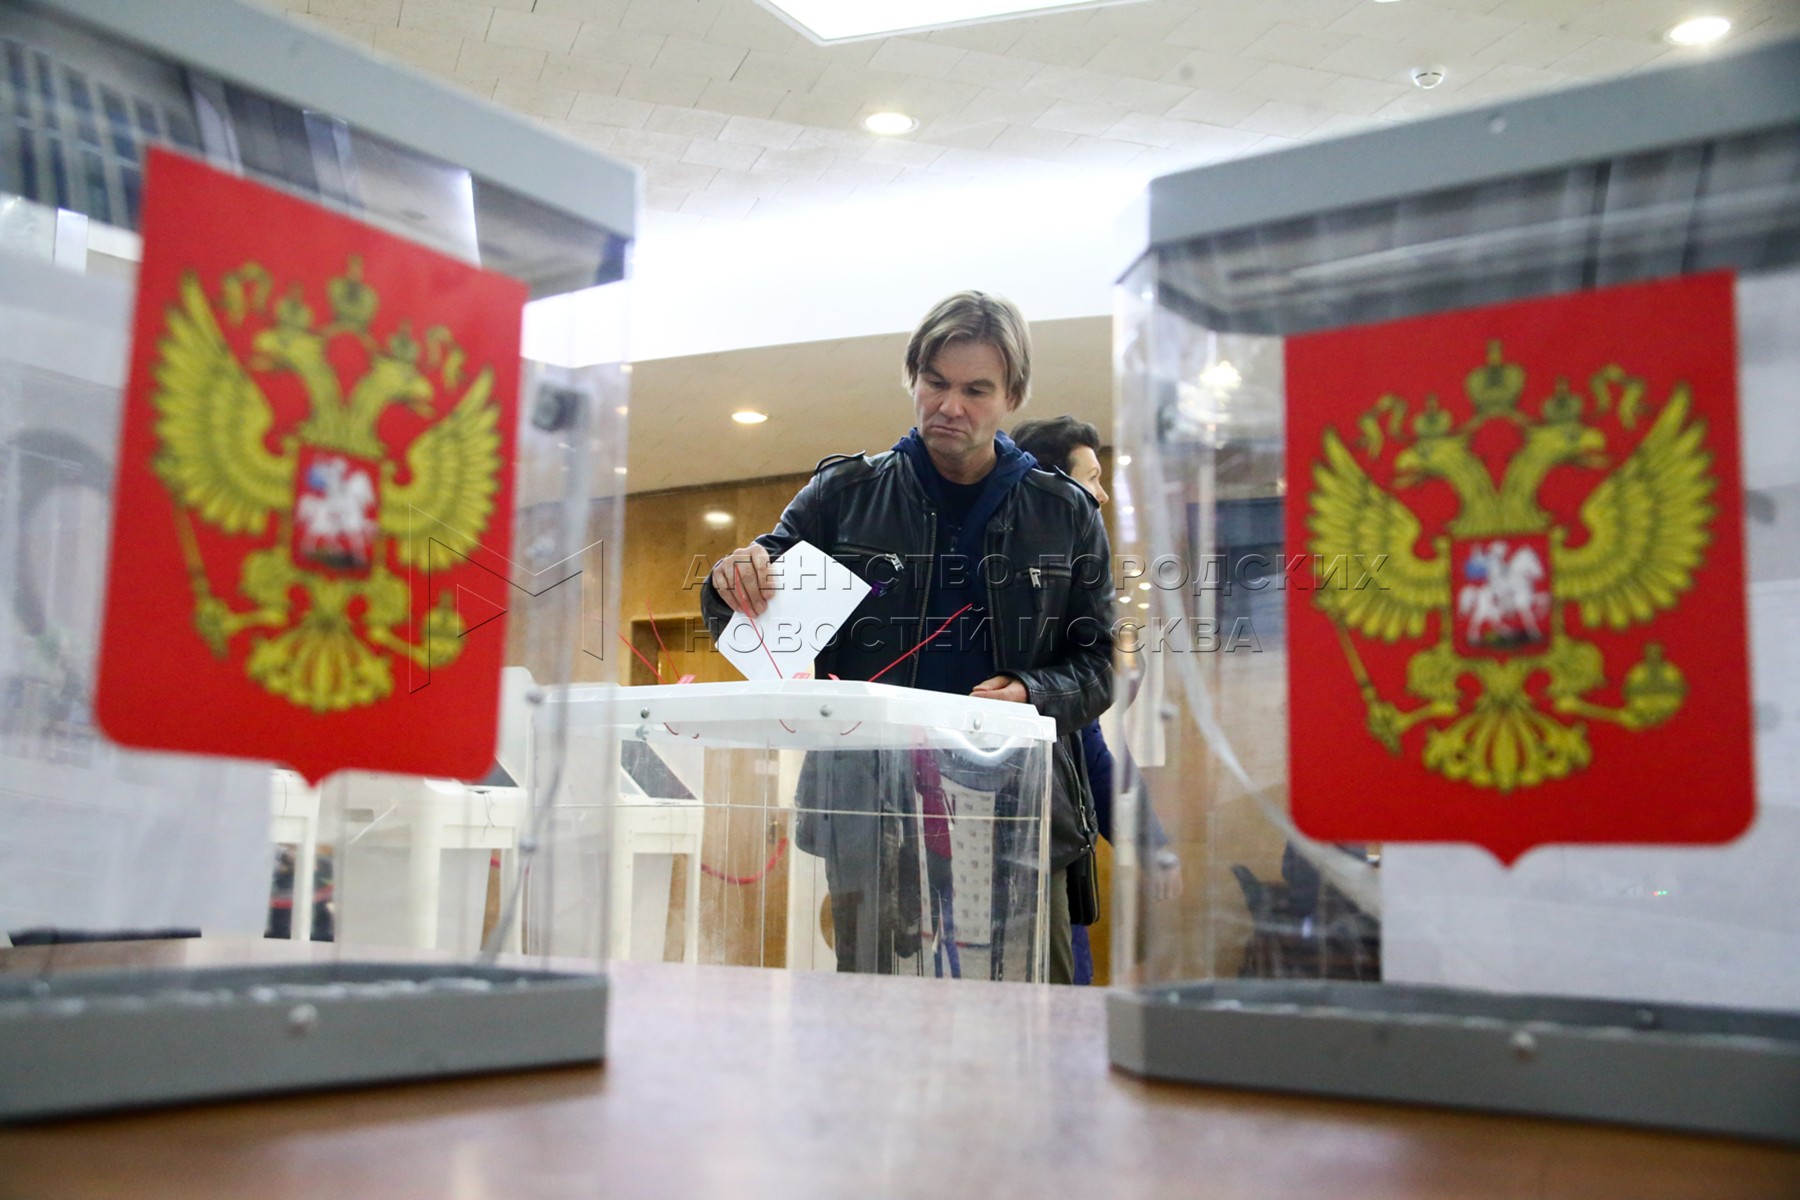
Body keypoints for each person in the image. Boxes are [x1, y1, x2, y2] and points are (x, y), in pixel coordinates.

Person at [702, 292, 1114, 984]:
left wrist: (1031, 692)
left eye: (976, 390)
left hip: (1018, 802)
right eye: (935, 382)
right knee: (873, 1011)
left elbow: (1098, 664)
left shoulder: (1064, 512)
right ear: (913, 379)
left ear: (1011, 396)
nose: (949, 406)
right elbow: (751, 598)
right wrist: (731, 582)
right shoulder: (843, 496)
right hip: (871, 804)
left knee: (1030, 1013)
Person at [1009, 415, 1182, 984]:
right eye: (1092, 479)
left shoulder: (1065, 592)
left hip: (1055, 850)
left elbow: (1091, 747)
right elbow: (1096, 755)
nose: (1102, 495)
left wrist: (1152, 842)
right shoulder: (1025, 602)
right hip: (1001, 859)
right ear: (1054, 490)